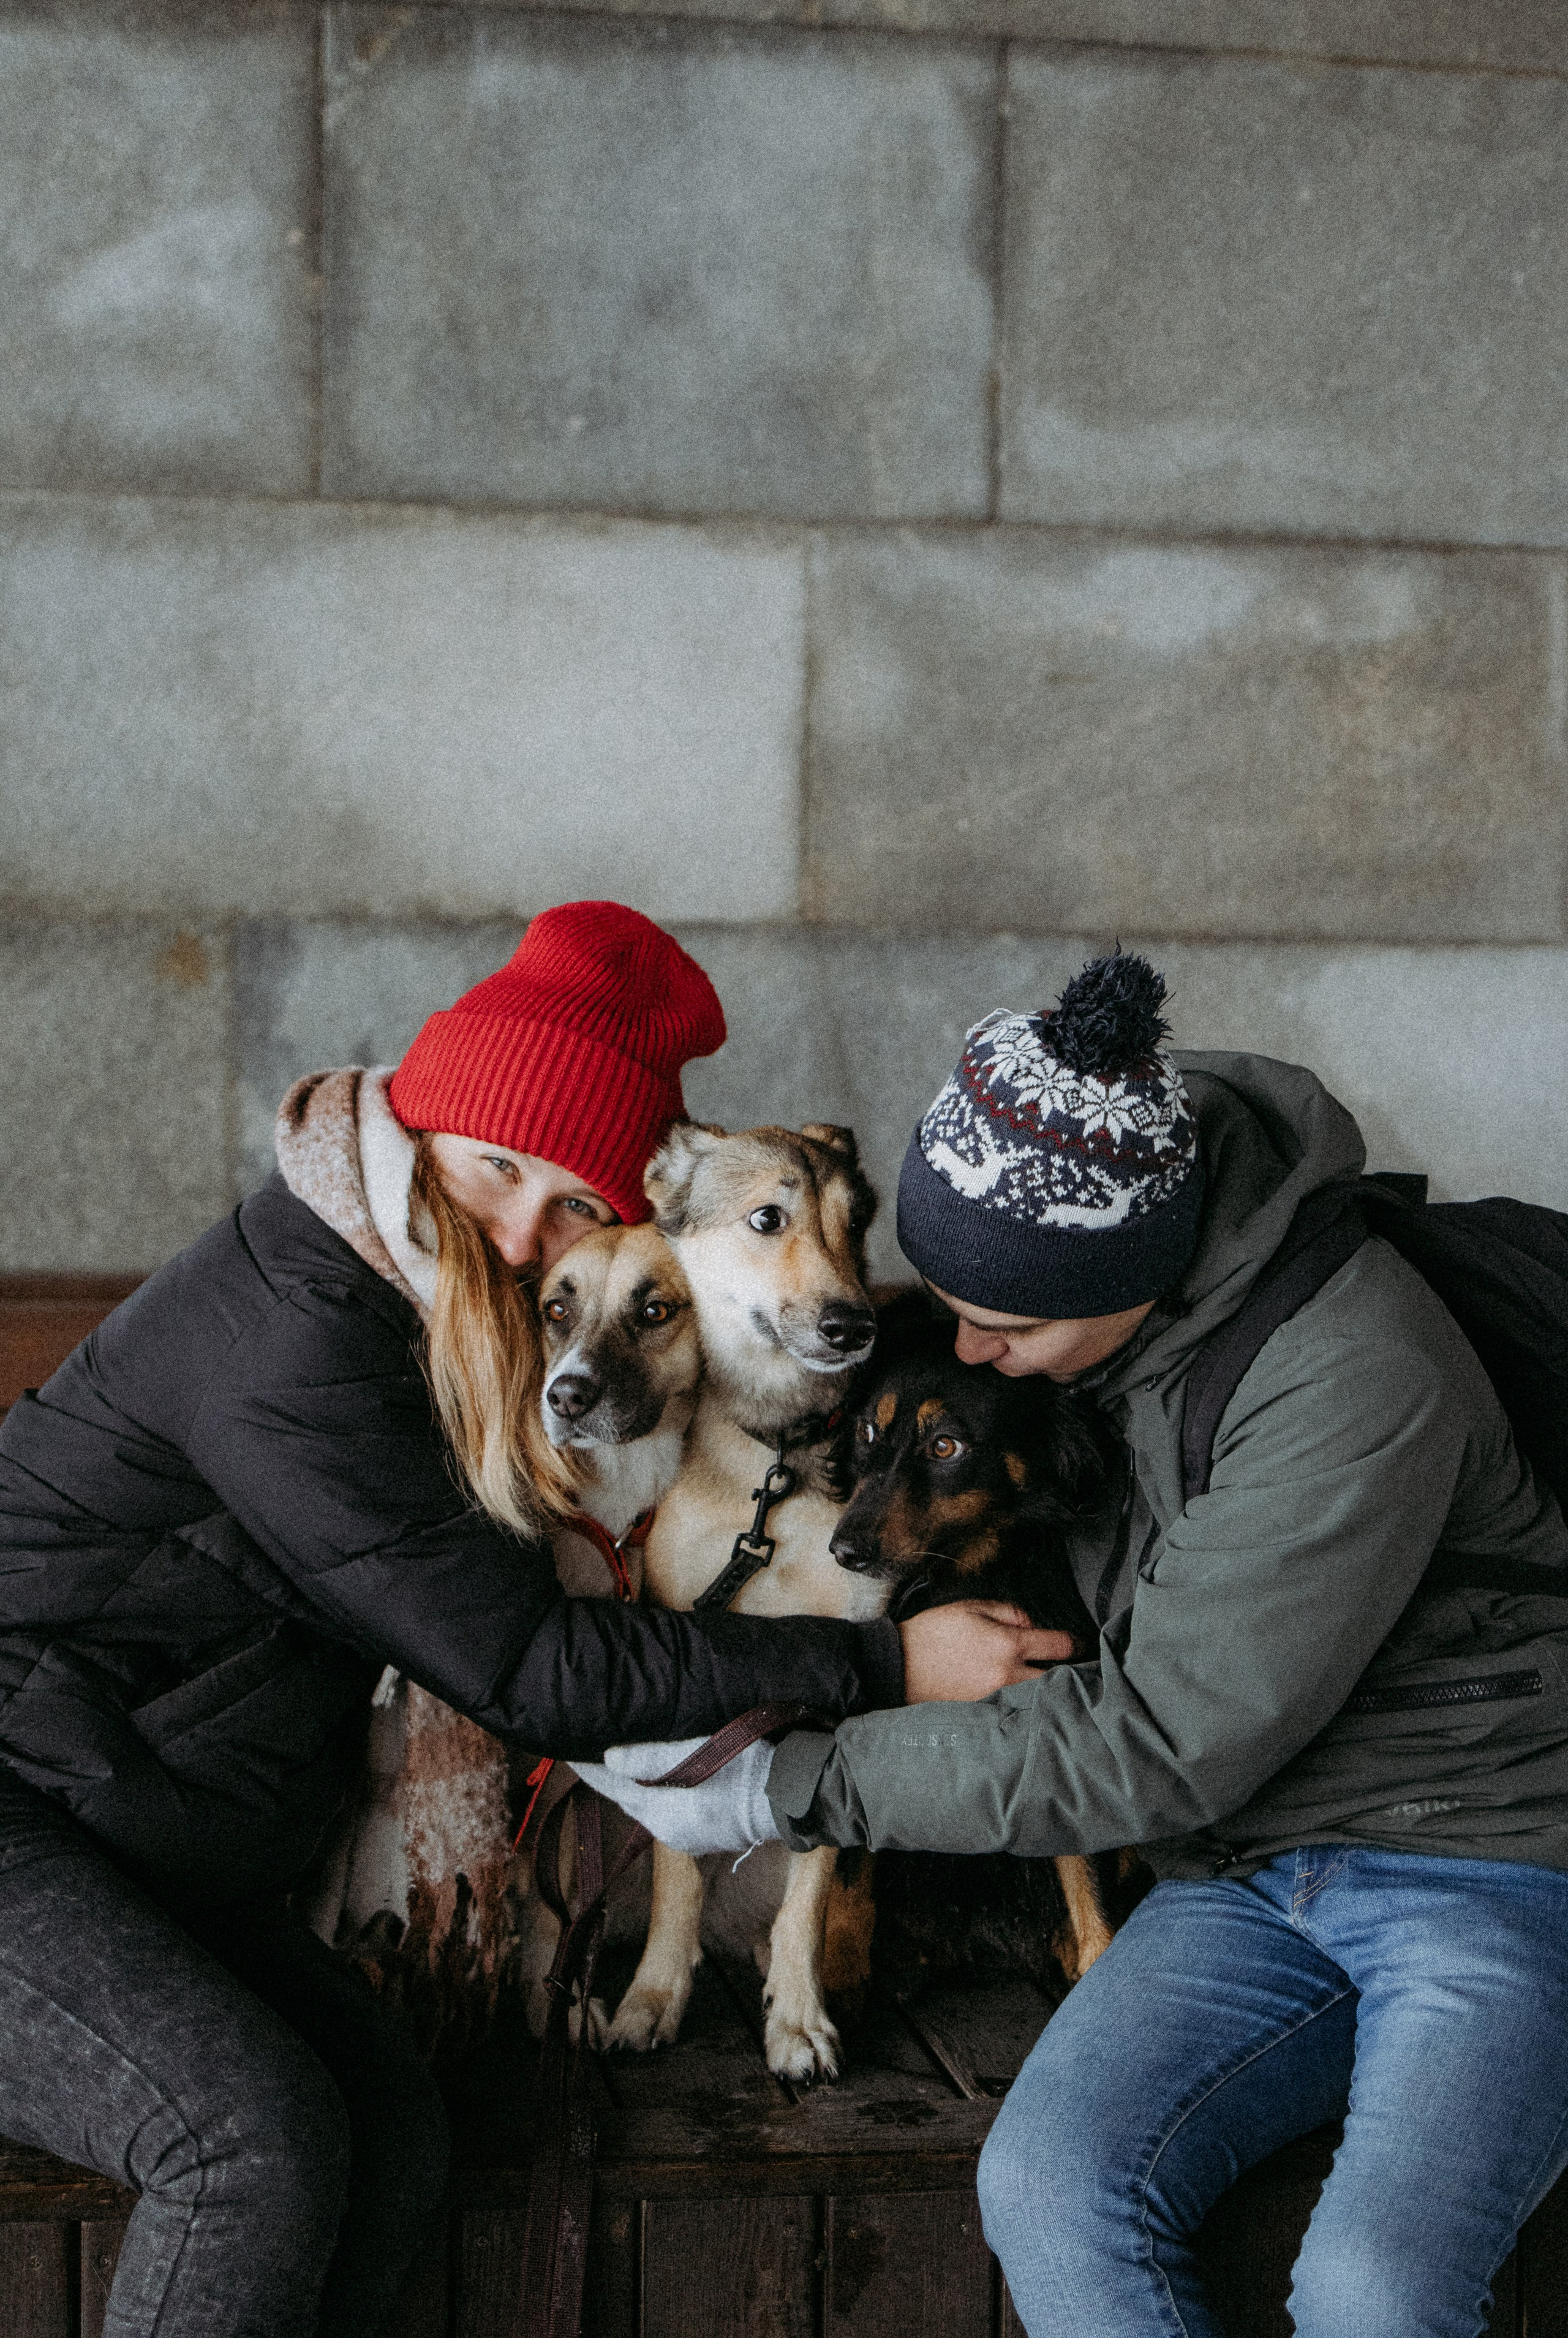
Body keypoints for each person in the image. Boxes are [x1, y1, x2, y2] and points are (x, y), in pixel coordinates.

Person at [0, 900, 1052, 2338]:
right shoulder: (296, 1330)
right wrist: (883, 1657)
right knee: (242, 2148)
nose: (518, 1231)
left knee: (395, 2127)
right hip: (32, 1807)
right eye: (498, 1168)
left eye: (570, 1203)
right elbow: (527, 1667)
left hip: (112, 1807)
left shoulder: (413, 1304)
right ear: (424, 1122)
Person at [581, 951, 1568, 2338]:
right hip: (1244, 1868)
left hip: (1486, 1871)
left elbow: (1153, 1739)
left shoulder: (1351, 1375)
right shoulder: (1106, 1342)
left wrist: (779, 1787)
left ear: (1138, 1273)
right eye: (955, 1305)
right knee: (1049, 2183)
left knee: (1373, 2290)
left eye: (1008, 1323)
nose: (969, 1352)